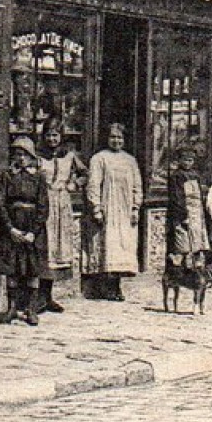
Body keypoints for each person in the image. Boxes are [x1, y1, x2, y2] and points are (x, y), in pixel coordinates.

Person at [0, 137, 49, 325]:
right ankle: (11, 308)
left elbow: (43, 207)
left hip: (33, 227)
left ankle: (31, 309)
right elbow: (0, 204)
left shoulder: (39, 177)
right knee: (12, 268)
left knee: (32, 269)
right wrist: (10, 228)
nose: (21, 158)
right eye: (18, 154)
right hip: (12, 227)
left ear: (32, 156)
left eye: (25, 154)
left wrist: (34, 231)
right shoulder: (7, 176)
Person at [85, 124, 143, 301]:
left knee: (122, 246)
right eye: (113, 137)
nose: (116, 141)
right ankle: (104, 287)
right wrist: (96, 208)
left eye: (119, 138)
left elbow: (137, 186)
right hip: (108, 208)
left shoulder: (130, 160)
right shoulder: (99, 158)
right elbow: (93, 184)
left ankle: (117, 287)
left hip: (125, 210)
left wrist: (135, 207)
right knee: (108, 246)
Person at [35, 124, 86, 314]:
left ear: (61, 137)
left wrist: (74, 184)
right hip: (44, 202)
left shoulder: (69, 155)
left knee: (57, 247)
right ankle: (39, 297)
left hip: (62, 203)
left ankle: (48, 296)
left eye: (55, 135)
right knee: (44, 246)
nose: (52, 139)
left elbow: (84, 174)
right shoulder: (38, 157)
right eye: (48, 135)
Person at [166, 145, 212, 285]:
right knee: (183, 245)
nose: (188, 163)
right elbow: (177, 197)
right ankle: (178, 273)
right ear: (179, 160)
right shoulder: (176, 176)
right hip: (183, 214)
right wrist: (182, 215)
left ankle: (198, 272)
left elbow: (200, 195)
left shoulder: (196, 176)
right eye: (185, 160)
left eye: (190, 160)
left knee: (198, 244)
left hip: (197, 214)